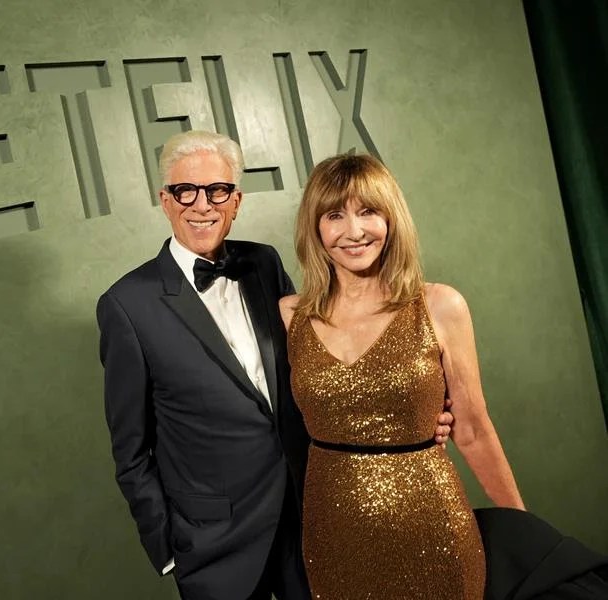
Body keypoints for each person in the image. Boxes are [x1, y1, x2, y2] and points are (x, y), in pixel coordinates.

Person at [96, 131, 453, 600]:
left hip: (311, 517)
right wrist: (167, 545)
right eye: (186, 191)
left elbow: (316, 370)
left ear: (236, 200)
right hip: (214, 544)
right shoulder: (127, 304)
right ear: (166, 200)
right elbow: (130, 449)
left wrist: (410, 415)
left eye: (218, 190)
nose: (202, 205)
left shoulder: (263, 264)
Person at [279, 153, 608, 600]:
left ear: (391, 219)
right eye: (334, 215)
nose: (353, 232)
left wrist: (529, 537)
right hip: (332, 532)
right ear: (315, 228)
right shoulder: (290, 314)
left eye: (369, 212)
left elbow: (472, 428)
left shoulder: (439, 305)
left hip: (433, 527)